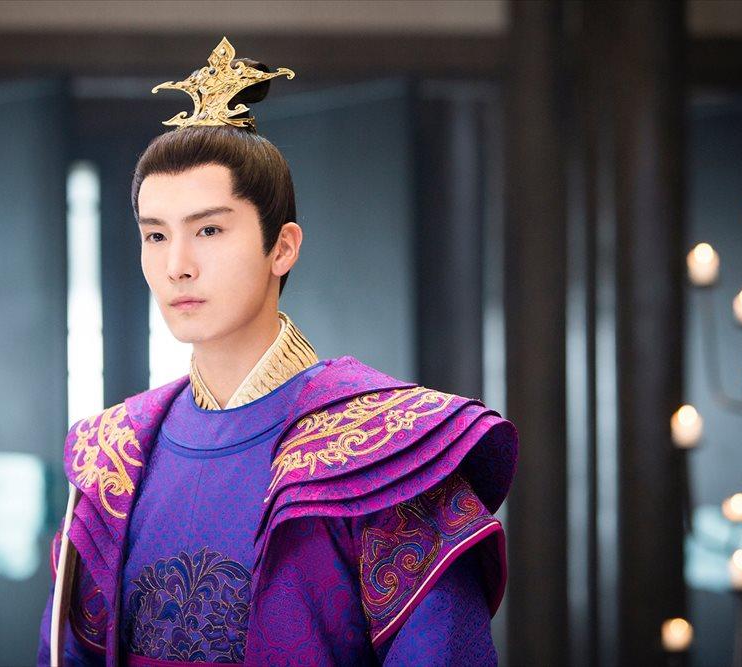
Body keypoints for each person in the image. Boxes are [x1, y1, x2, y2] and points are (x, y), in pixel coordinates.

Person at [37, 37, 517, 667]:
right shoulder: (113, 456)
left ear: (282, 247)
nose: (177, 265)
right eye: (155, 235)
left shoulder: (389, 452)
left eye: (209, 229)